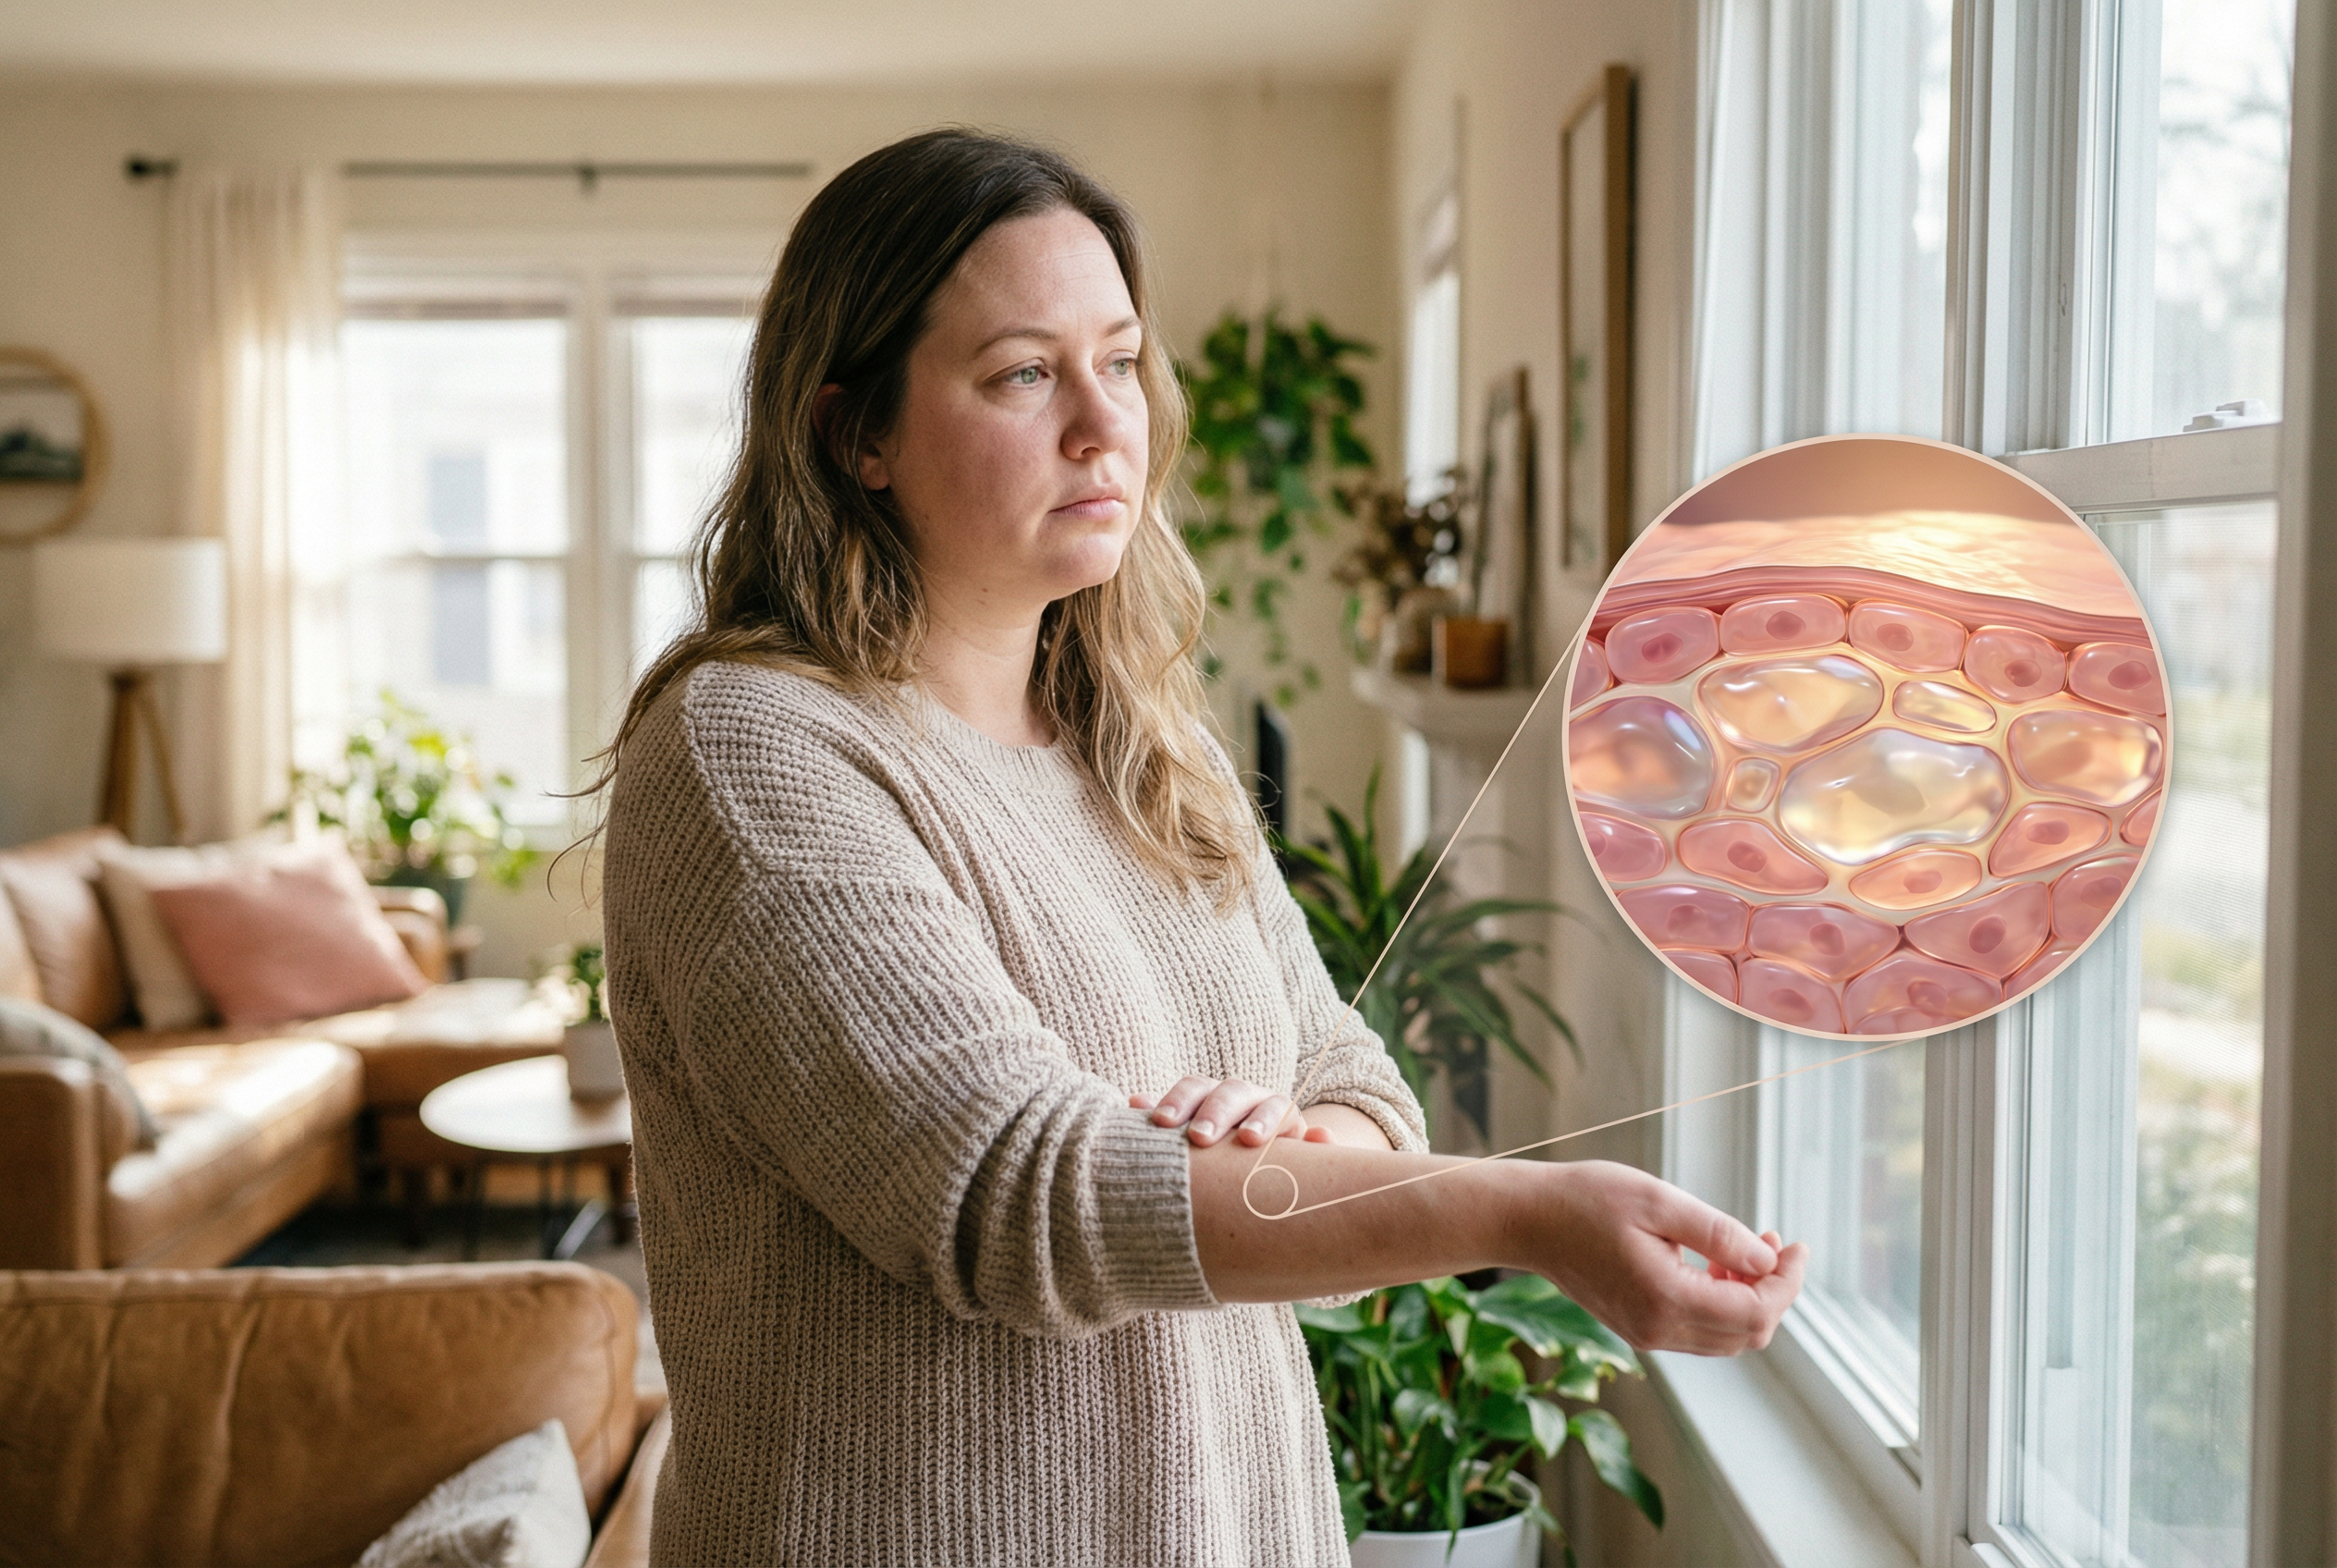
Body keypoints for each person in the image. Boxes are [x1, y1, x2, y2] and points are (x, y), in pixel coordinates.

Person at [596, 127, 1805, 1567]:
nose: (1105, 427)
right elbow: (1022, 1201)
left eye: (1119, 360)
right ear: (857, 434)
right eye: (1024, 374)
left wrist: (1287, 1147)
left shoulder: (1148, 743)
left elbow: (1360, 1088)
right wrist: (1532, 1212)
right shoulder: (750, 752)